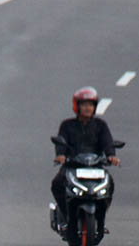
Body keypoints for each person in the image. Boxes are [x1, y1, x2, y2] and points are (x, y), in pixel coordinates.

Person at [51, 87, 121, 222]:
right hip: (72, 165)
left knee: (109, 184)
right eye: (84, 105)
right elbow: (61, 142)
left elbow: (107, 142)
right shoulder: (67, 125)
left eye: (90, 105)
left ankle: (100, 214)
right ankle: (65, 216)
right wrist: (61, 155)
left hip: (95, 166)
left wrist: (111, 156)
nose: (87, 108)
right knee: (57, 184)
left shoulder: (100, 125)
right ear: (77, 106)